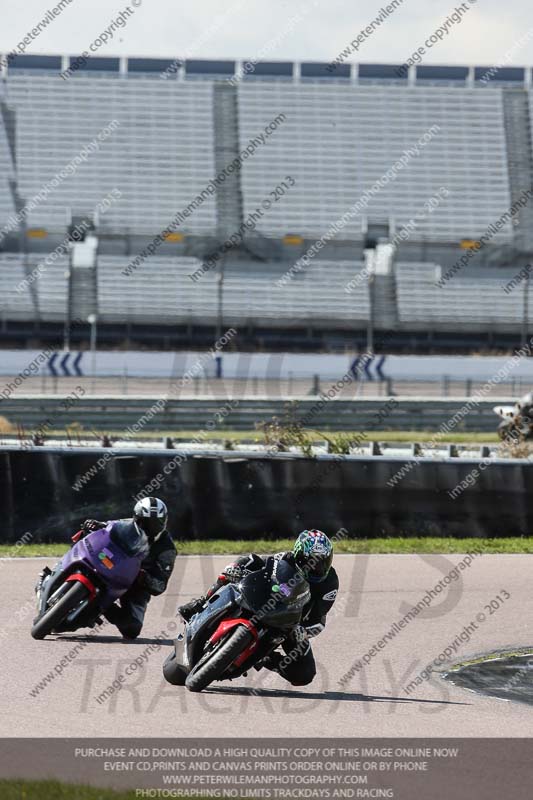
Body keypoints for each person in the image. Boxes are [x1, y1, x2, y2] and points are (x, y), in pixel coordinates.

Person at [178, 529, 339, 686]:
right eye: (312, 561)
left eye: (323, 562)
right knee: (242, 563)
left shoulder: (330, 584)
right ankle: (200, 603)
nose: (317, 567)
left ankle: (266, 657)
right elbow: (261, 565)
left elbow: (319, 619)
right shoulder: (285, 558)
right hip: (262, 600)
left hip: (291, 624)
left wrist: (303, 631)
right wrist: (238, 569)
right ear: (299, 555)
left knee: (304, 674)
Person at [79, 497, 176, 639]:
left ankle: (100, 606)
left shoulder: (167, 549)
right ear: (136, 518)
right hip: (109, 563)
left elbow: (160, 585)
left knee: (132, 629)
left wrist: (143, 577)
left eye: (156, 523)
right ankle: (61, 572)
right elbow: (108, 527)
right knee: (85, 537)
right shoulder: (127, 525)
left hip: (134, 584)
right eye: (145, 522)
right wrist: (96, 525)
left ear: (164, 521)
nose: (150, 528)